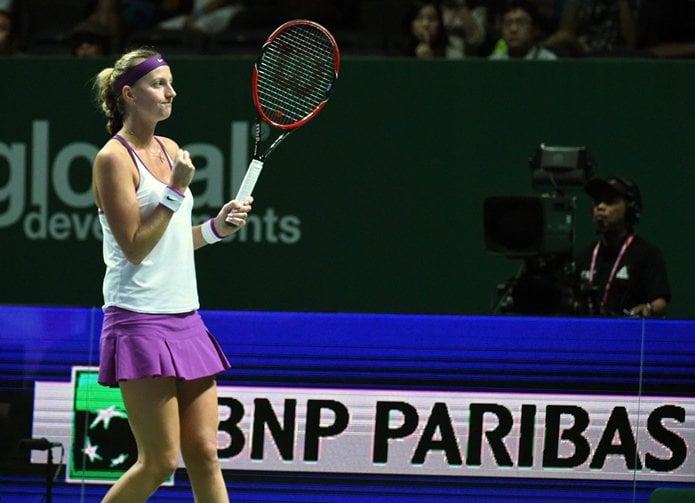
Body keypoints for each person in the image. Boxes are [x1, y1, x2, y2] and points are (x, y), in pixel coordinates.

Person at [91, 47, 252, 502]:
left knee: (203, 452)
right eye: (159, 83)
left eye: (171, 82)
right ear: (129, 94)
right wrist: (177, 189)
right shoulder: (112, 160)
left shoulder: (171, 149)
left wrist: (217, 229)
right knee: (160, 462)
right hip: (139, 319)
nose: (171, 92)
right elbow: (137, 247)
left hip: (185, 319)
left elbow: (174, 240)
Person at [574, 176, 671, 317]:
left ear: (630, 209)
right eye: (597, 202)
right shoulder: (584, 256)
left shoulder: (647, 254)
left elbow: (661, 301)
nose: (600, 207)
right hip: (588, 333)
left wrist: (648, 309)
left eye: (610, 201)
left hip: (628, 335)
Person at [543, 0, 639, 57]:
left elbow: (630, 41)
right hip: (580, 50)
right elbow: (565, 31)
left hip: (614, 53)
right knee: (557, 50)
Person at [489, 0, 557, 60]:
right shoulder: (494, 61)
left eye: (521, 23)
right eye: (508, 23)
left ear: (535, 30)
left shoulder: (548, 60)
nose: (513, 29)